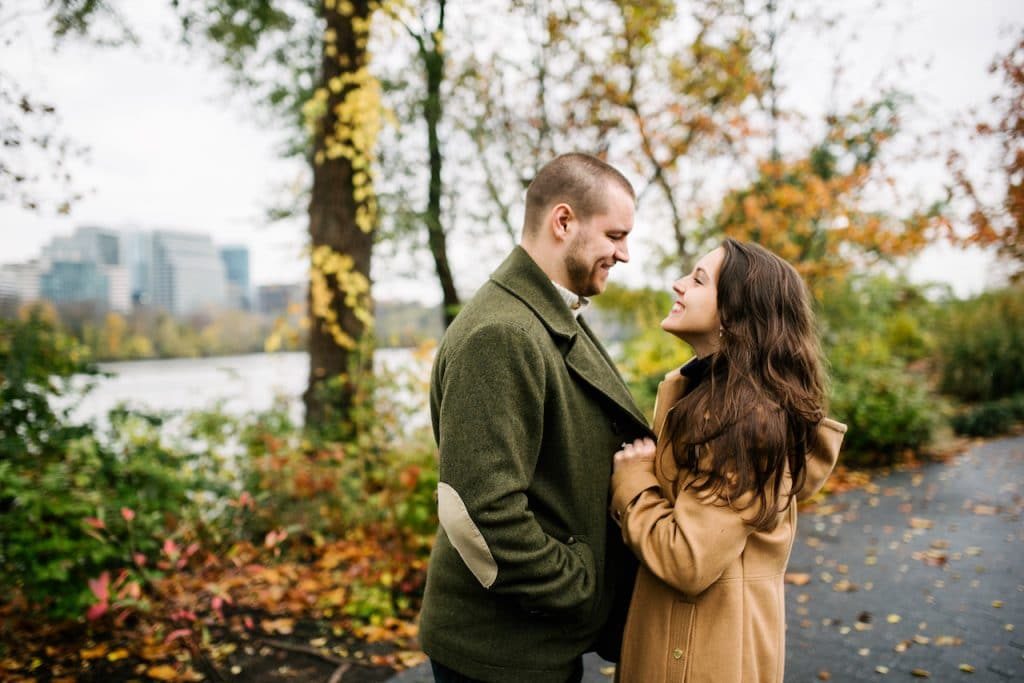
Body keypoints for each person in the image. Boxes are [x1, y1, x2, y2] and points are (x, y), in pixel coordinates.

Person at [418, 153, 653, 682]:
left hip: (535, 639)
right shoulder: (502, 333)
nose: (625, 253)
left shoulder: (543, 314)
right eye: (615, 235)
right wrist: (582, 585)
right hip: (502, 652)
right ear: (563, 221)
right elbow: (476, 511)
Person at [610, 238, 847, 682]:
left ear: (736, 315)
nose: (678, 285)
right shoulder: (703, 398)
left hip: (700, 656)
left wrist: (633, 484)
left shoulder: (743, 422)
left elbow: (688, 561)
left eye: (698, 279)